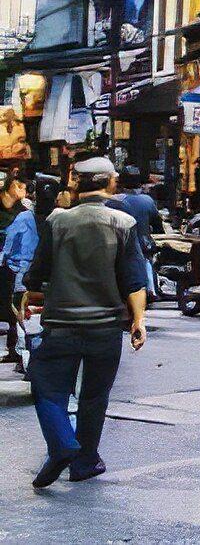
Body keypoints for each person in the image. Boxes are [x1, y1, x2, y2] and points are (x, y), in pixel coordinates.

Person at [22, 155, 146, 487]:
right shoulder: (124, 222)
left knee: (48, 388)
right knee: (94, 395)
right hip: (105, 328)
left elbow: (36, 274)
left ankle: (62, 444)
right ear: (109, 182)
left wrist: (34, 287)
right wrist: (139, 320)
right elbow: (134, 280)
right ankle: (84, 461)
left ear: (78, 184)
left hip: (60, 326)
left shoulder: (57, 221)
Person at [109, 166, 162, 294]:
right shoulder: (147, 201)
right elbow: (158, 227)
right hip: (144, 248)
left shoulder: (112, 202)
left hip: (117, 248)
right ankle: (151, 289)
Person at [1, 174, 32, 366]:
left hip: (15, 266)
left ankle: (19, 352)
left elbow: (11, 243)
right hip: (14, 265)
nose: (23, 191)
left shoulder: (23, 212)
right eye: (19, 186)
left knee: (17, 308)